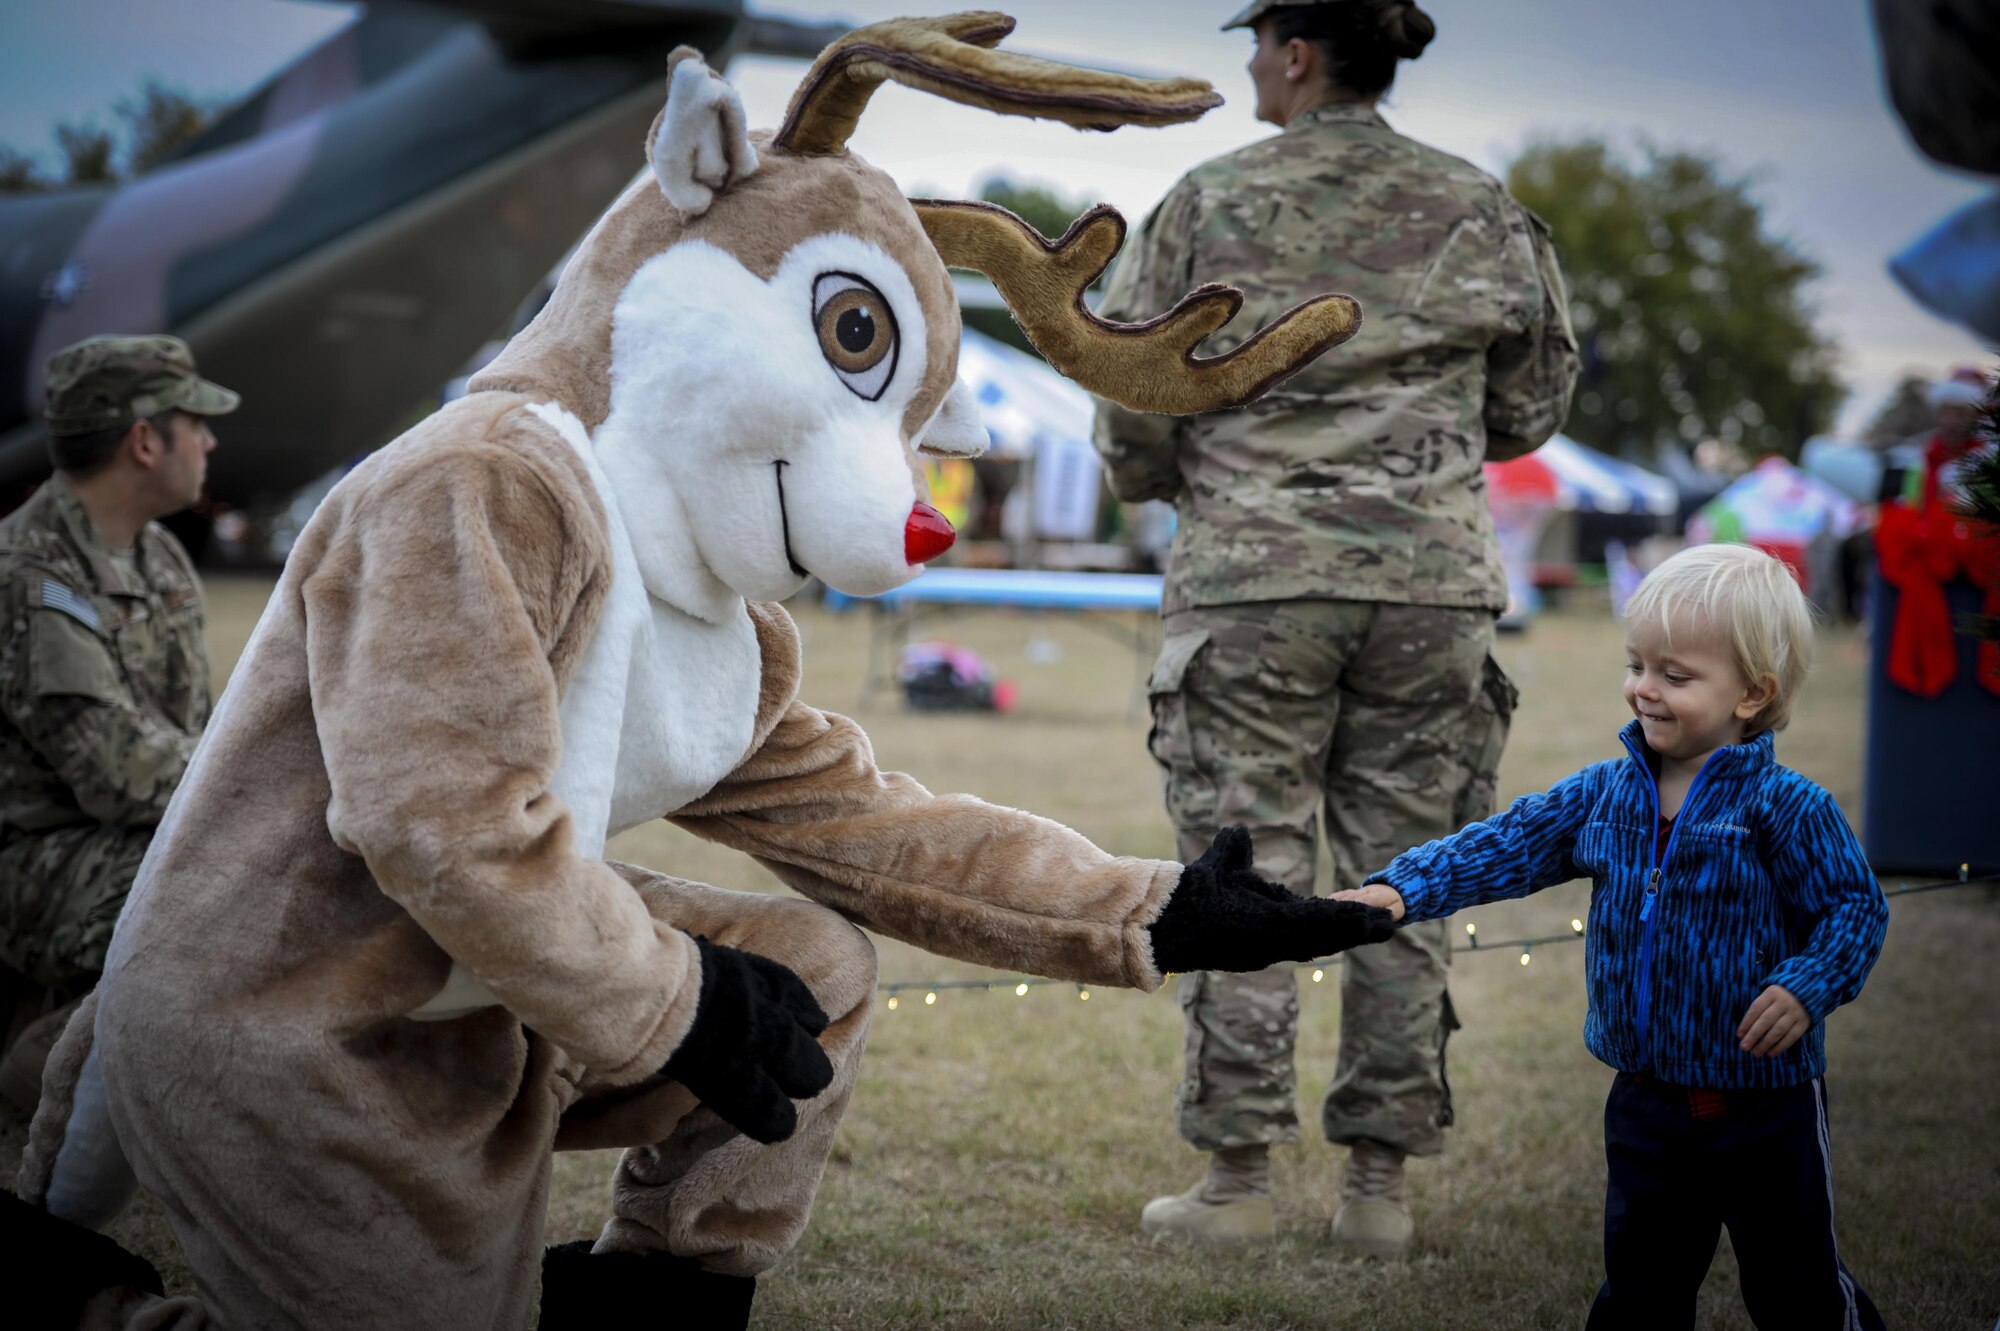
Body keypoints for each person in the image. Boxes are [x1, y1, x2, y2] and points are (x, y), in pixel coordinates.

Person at [1093, 0, 1579, 1252]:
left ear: (1296, 53)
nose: (1251, 62)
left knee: (1239, 874)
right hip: (1429, 590)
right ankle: (1378, 1190)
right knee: (1404, 876)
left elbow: (1133, 393)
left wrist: (1170, 482)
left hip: (1251, 588)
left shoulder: (1206, 201)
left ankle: (1238, 1183)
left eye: (1256, 41)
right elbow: (1530, 402)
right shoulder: (1479, 205)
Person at [1335, 543, 1889, 1330]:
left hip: (1768, 1105)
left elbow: (1855, 910)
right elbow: (1505, 844)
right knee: (1641, 1285)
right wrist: (1402, 886)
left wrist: (1807, 984)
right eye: (1637, 664)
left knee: (1794, 1284)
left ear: (1753, 692)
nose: (1644, 688)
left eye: (1675, 674)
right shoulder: (1605, 793)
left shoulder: (1787, 807)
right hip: (1647, 1101)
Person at [0, 333, 232, 1111]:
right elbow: (118, 775)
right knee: (218, 883)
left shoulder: (158, 554)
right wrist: (247, 799)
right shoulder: (30, 574)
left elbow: (185, 738)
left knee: (238, 868)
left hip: (117, 842)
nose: (209, 439)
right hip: (33, 866)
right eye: (193, 421)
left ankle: (104, 1024)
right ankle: (52, 1051)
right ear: (143, 440)